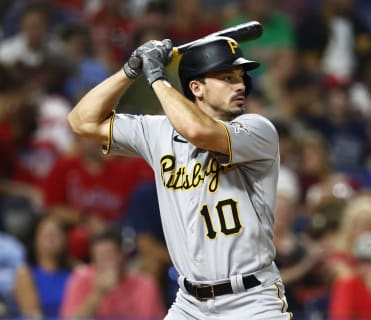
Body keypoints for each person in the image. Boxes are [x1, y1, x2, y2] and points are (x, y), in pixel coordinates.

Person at [67, 33, 292, 319]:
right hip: (190, 304)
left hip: (251, 300)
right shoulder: (159, 132)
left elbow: (199, 132)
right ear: (196, 87)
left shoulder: (257, 130)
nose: (240, 85)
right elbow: (81, 121)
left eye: (240, 77)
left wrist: (157, 78)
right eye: (227, 78)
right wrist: (130, 70)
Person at [60, 228, 165, 319]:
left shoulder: (146, 285)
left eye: (109, 254)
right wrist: (98, 294)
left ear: (121, 255)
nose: (104, 261)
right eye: (98, 256)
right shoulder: (80, 278)